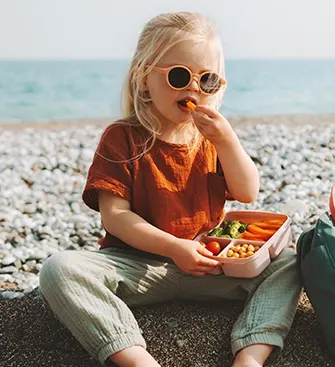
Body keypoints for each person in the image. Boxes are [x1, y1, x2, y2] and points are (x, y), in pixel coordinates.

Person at [38, 11, 302, 367]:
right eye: (179, 76)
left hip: (209, 260)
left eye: (206, 80)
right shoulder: (123, 137)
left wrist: (228, 142)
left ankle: (251, 354)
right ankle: (135, 358)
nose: (193, 89)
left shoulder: (211, 139)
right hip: (136, 266)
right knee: (59, 268)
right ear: (144, 79)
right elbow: (115, 217)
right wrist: (174, 247)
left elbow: (247, 191)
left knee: (290, 260)